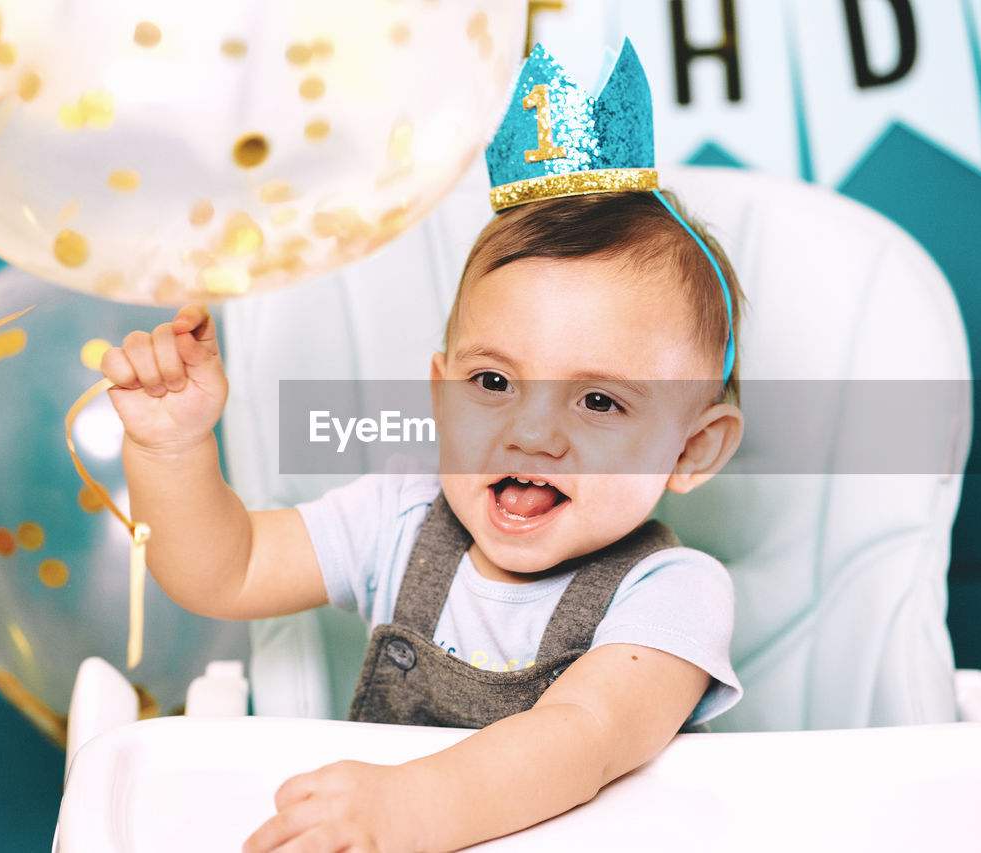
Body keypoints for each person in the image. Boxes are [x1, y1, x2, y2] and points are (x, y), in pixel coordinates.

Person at [101, 41, 746, 853]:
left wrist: (412, 809)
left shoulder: (673, 593)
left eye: (598, 399)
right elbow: (222, 569)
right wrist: (173, 450)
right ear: (441, 393)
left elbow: (585, 733)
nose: (531, 431)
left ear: (693, 448)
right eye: (493, 383)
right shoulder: (399, 521)